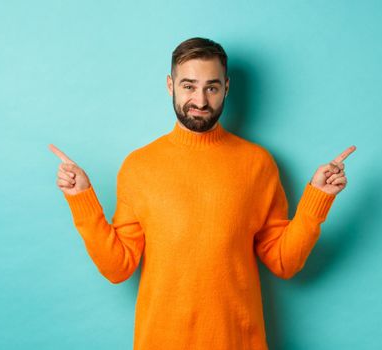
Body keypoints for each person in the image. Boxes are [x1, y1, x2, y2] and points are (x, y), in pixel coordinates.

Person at [49, 37, 356, 350]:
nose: (200, 100)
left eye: (211, 87)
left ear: (226, 87)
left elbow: (283, 262)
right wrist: (81, 198)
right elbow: (118, 267)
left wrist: (317, 198)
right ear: (170, 86)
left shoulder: (257, 163)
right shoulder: (139, 166)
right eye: (188, 86)